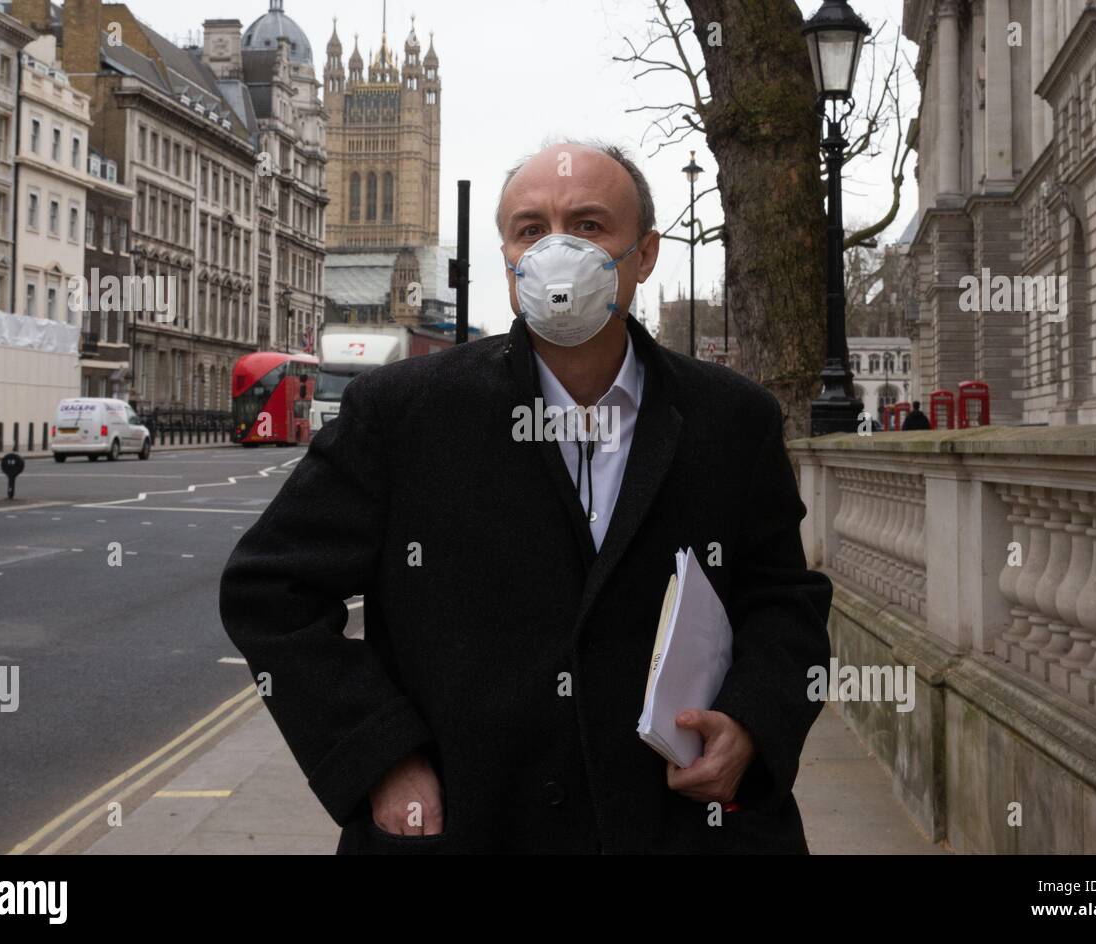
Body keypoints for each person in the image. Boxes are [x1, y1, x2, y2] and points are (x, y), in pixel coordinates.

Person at [218, 141, 833, 854]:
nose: (557, 249)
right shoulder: (403, 413)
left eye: (590, 225)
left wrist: (752, 722)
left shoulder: (733, 418)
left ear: (645, 254)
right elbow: (268, 589)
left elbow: (785, 600)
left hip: (680, 828)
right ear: (507, 259)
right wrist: (378, 757)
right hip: (470, 826)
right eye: (532, 229)